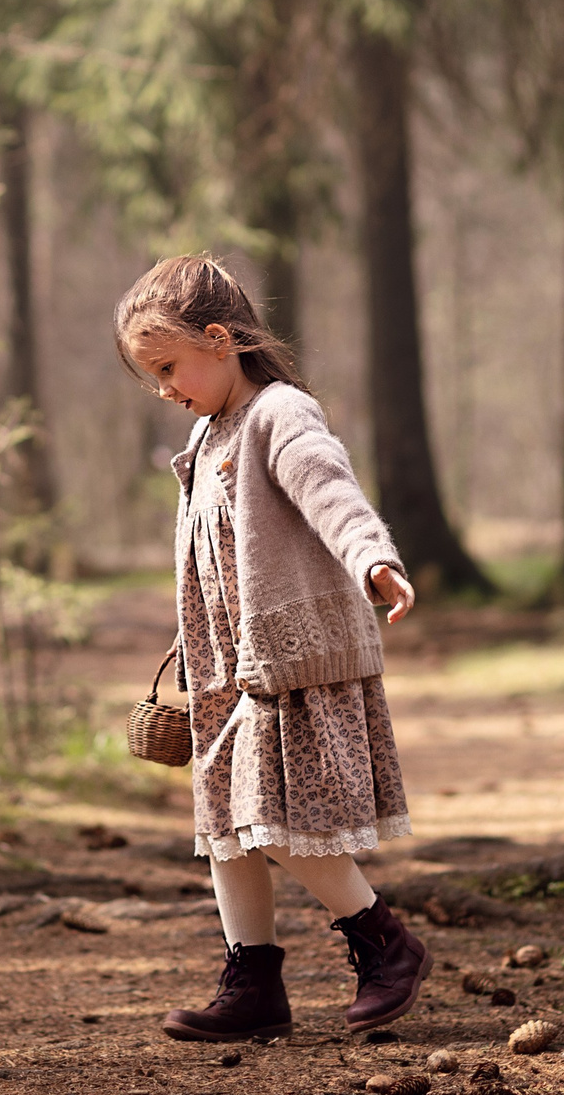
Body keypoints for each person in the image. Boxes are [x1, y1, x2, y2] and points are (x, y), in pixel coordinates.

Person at [113, 255, 432, 1041]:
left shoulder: (279, 414)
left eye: (168, 365)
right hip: (228, 670)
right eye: (149, 374)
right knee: (227, 823)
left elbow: (329, 488)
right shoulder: (206, 430)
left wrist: (372, 557)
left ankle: (384, 942)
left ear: (219, 339)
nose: (163, 387)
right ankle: (253, 978)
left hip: (289, 663)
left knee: (278, 822)